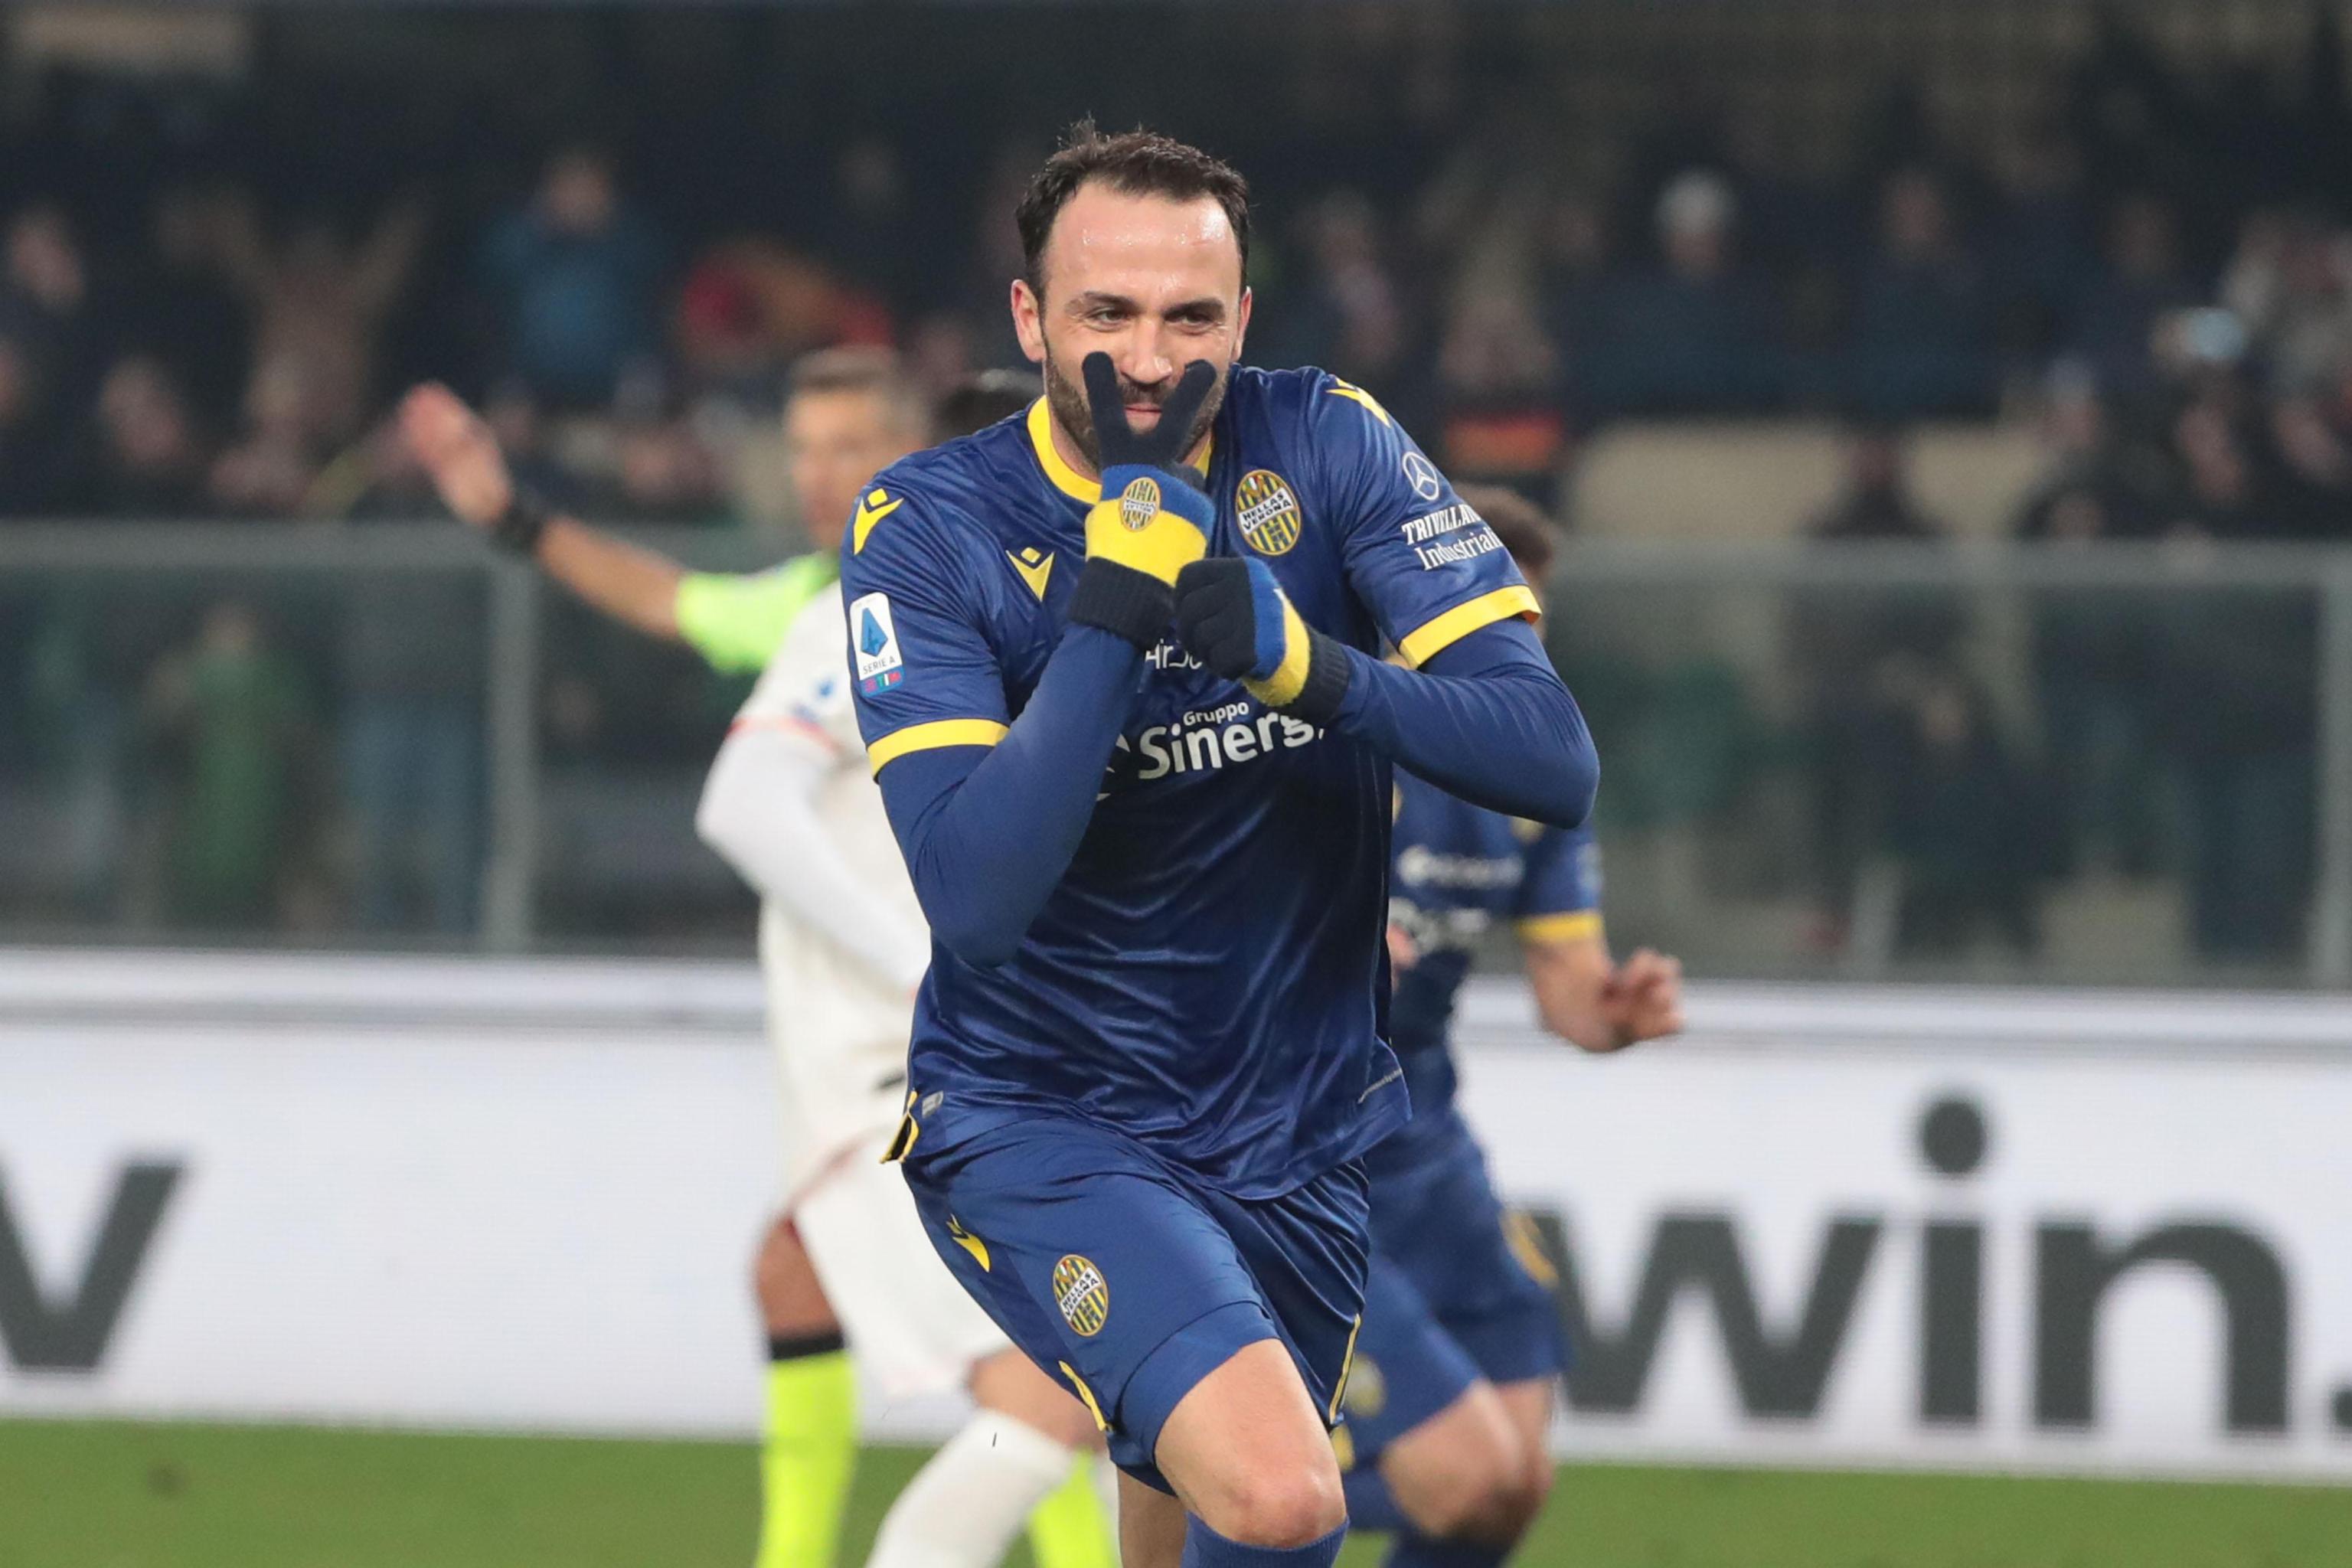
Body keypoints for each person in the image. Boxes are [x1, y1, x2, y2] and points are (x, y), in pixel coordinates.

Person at [838, 125, 1596, 1568]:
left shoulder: (1327, 439)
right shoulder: (929, 527)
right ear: (1031, 319)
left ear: (1243, 318)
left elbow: (1549, 757)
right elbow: (978, 896)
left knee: (1212, 1542)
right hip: (1048, 1119)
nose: (1149, 356)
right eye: (1105, 314)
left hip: (1296, 1129)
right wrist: (1117, 602)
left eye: (1191, 317)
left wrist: (1312, 669)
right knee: (1283, 1492)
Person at [400, 354, 1109, 1568]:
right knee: (803, 1280)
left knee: (1034, 1380)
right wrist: (510, 516)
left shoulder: (877, 614)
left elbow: (744, 800)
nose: (820, 476)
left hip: (911, 1065)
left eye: (849, 446)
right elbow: (669, 599)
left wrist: (916, 966)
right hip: (924, 1050)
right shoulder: (829, 608)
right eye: (803, 448)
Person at [1341, 487, 1684, 1566]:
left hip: (1427, 1153)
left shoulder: (1527, 784)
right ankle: (1190, 1479)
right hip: (1297, 1154)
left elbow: (1567, 991)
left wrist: (1615, 1015)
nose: (1508, 661)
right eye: (1484, 624)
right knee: (1466, 1473)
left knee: (1514, 1482)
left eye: (1523, 630)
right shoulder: (1322, 736)